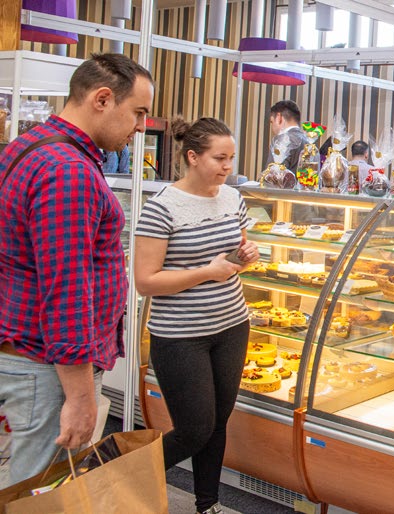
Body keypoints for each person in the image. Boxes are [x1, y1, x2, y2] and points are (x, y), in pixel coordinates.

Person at [0, 53, 153, 487]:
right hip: (46, 366)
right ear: (102, 99)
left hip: (25, 350)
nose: (142, 126)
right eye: (138, 112)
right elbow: (66, 289)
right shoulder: (69, 171)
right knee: (39, 492)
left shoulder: (29, 146)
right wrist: (81, 397)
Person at [133, 117, 259, 514]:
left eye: (231, 158)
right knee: (193, 430)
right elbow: (146, 281)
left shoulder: (232, 198)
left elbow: (236, 256)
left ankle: (208, 505)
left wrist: (247, 256)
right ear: (192, 156)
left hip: (232, 325)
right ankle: (117, 477)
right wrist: (207, 272)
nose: (228, 166)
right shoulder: (161, 208)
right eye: (219, 158)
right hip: (180, 336)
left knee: (218, 423)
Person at [268, 100, 307, 172]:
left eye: (272, 122)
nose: (272, 127)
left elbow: (272, 175)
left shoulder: (282, 141)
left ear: (279, 118)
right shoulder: (308, 141)